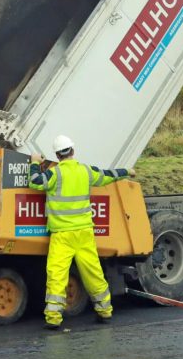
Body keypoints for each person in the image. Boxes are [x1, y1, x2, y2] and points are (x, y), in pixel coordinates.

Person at [29, 135, 132, 330]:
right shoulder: (86, 171)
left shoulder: (54, 174)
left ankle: (53, 318)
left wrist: (35, 162)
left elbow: (35, 181)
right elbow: (106, 175)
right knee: (93, 272)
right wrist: (126, 171)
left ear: (57, 155)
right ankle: (105, 311)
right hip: (84, 233)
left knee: (57, 275)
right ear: (73, 151)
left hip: (62, 235)